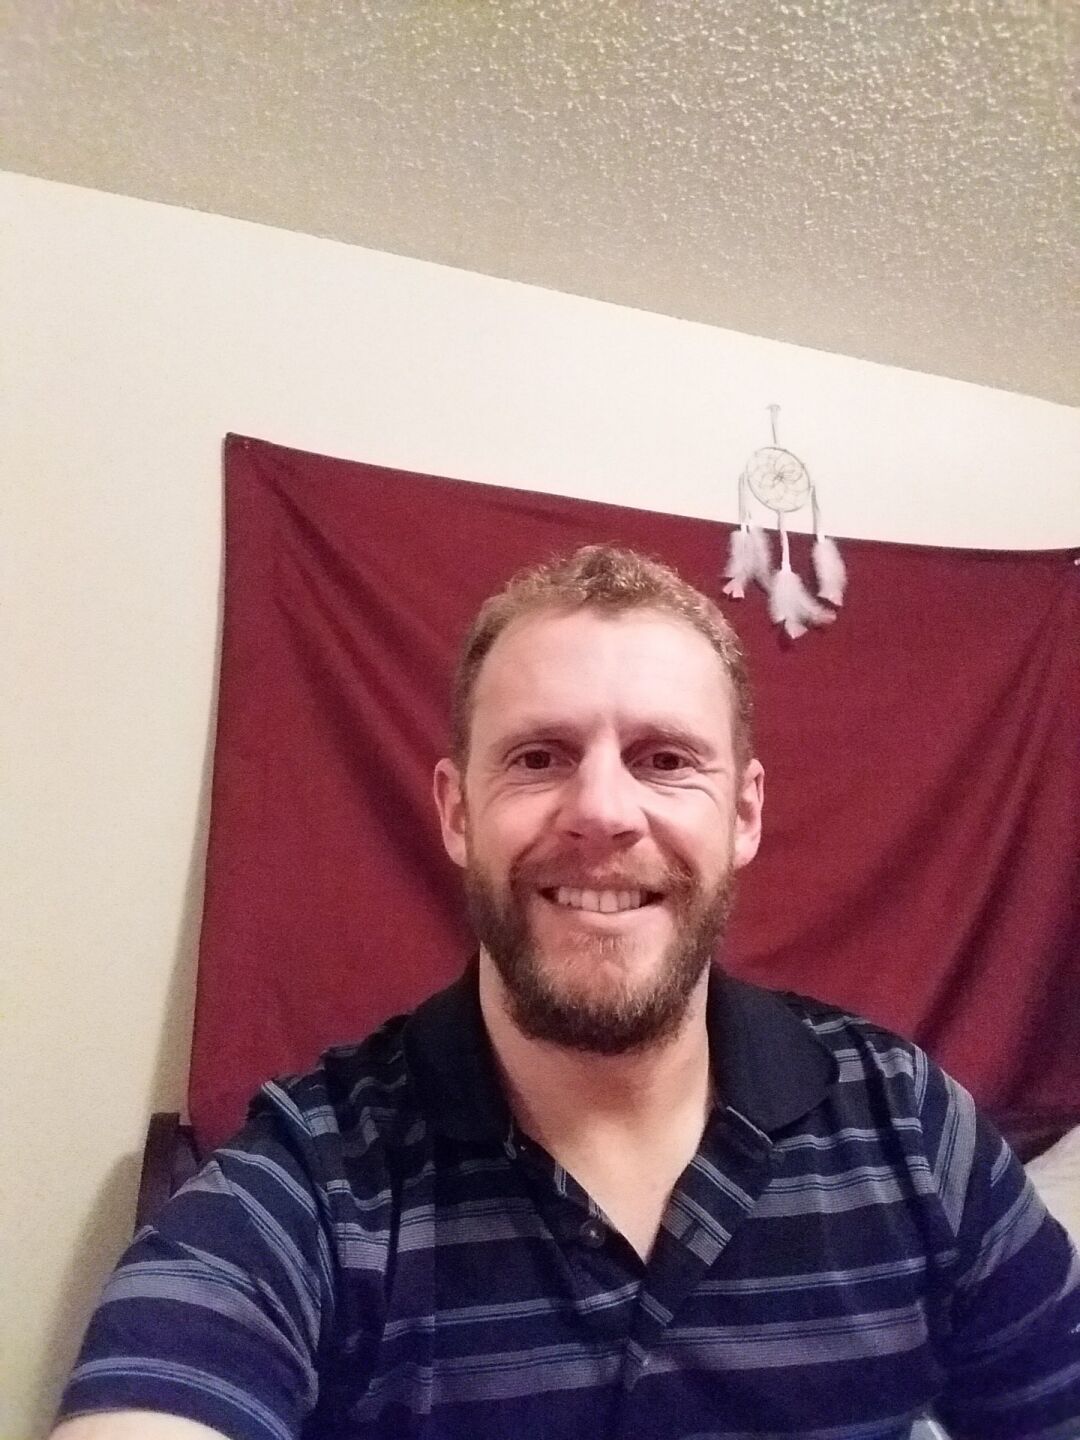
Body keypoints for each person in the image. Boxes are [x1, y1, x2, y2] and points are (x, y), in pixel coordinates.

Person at [54, 546, 1080, 1440]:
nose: (602, 810)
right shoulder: (312, 1183)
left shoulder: (910, 1126)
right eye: (539, 757)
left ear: (745, 813)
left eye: (664, 760)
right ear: (457, 811)